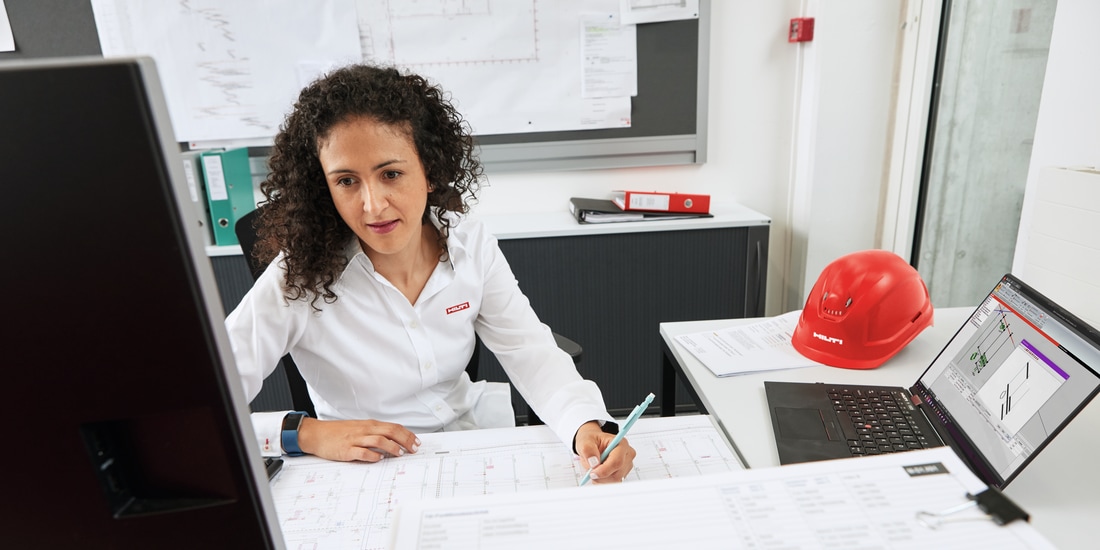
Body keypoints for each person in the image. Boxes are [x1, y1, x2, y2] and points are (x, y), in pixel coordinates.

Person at [225, 63, 635, 483]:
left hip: (472, 449)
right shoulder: (298, 277)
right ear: (323, 188)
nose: (373, 205)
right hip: (364, 472)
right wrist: (304, 433)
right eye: (347, 181)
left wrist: (586, 423)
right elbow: (199, 407)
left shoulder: (469, 243)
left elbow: (530, 351)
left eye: (391, 174)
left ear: (430, 170)